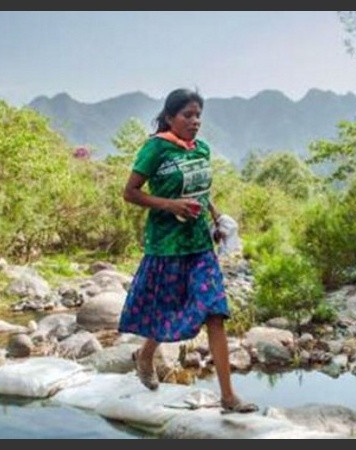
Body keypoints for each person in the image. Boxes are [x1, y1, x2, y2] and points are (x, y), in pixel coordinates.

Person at [118, 88, 258, 414]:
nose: (195, 122)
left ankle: (228, 397)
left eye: (198, 116)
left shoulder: (201, 150)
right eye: (187, 115)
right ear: (170, 117)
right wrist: (169, 204)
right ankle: (146, 354)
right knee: (169, 310)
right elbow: (130, 192)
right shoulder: (156, 149)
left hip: (199, 246)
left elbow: (202, 191)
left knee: (214, 312)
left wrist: (218, 218)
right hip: (167, 246)